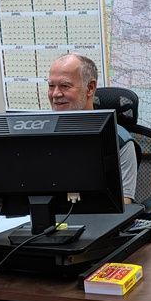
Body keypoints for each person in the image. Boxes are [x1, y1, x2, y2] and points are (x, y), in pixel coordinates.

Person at [47, 53, 137, 204]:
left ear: (90, 88)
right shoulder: (40, 134)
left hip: (98, 222)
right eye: (51, 86)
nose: (55, 94)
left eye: (65, 86)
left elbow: (123, 204)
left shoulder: (119, 139)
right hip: (44, 220)